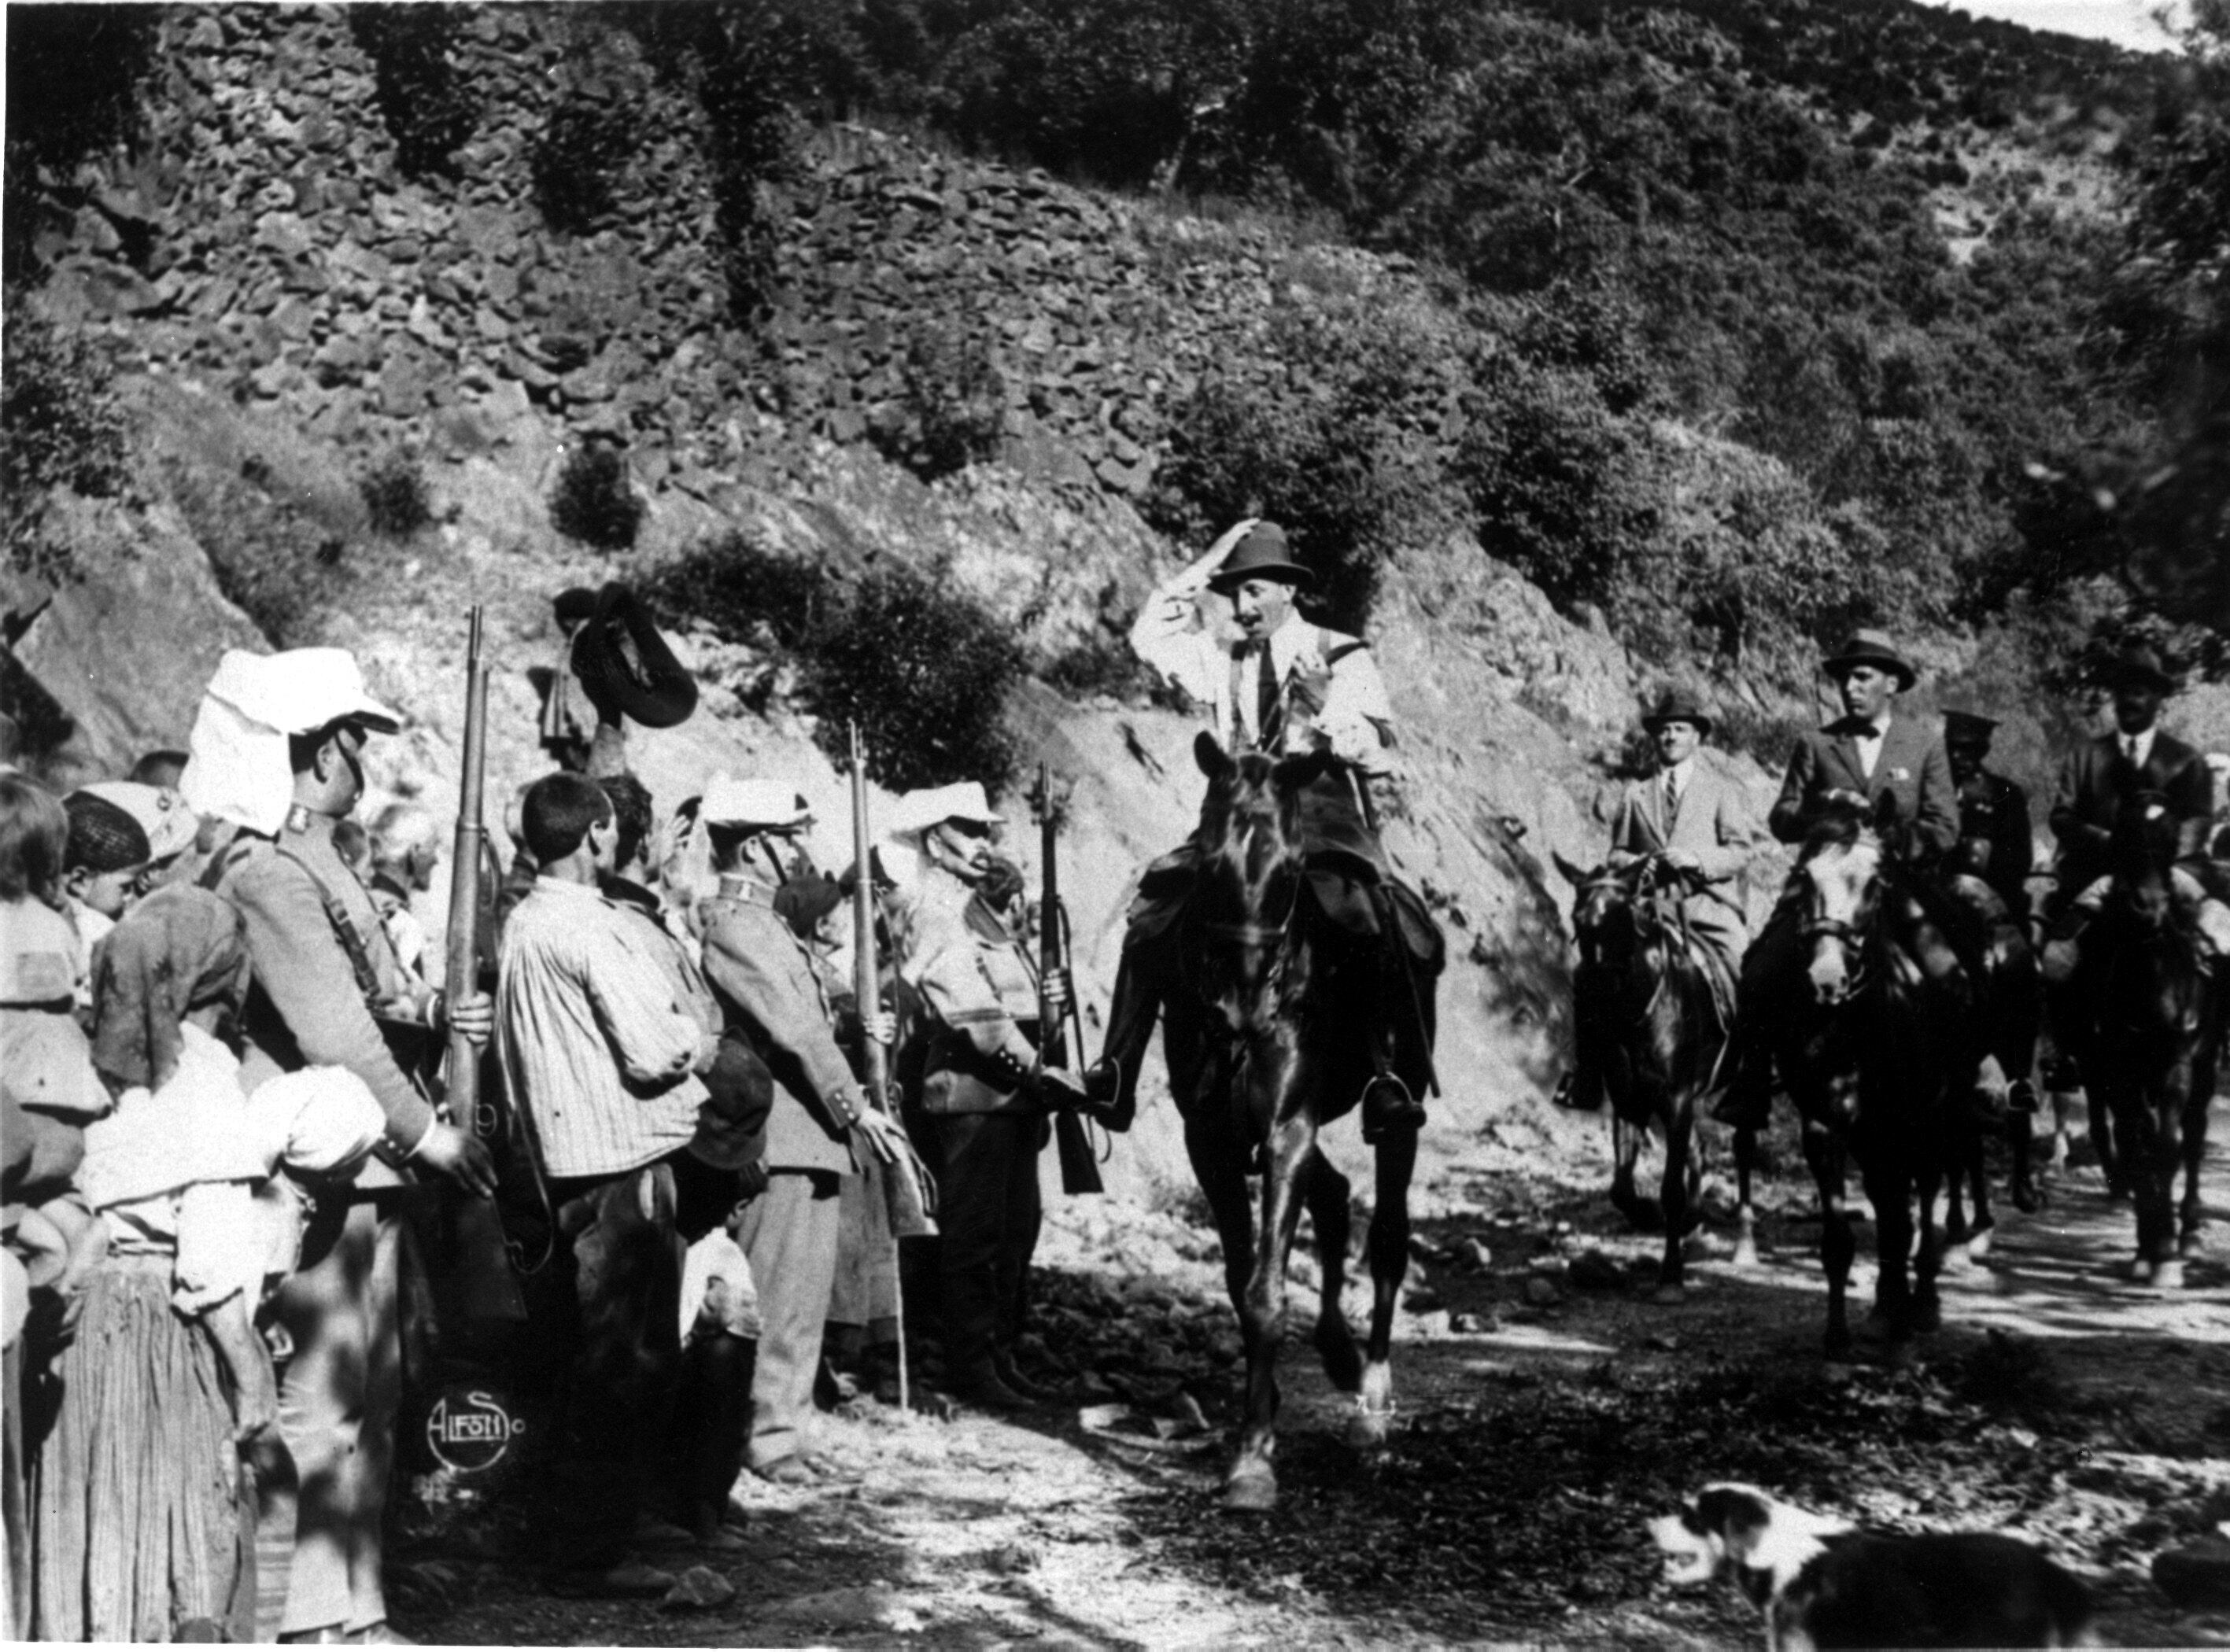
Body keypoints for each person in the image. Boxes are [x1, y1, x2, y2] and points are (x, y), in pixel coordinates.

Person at [182, 647, 496, 1645]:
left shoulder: (310, 856)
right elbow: (332, 1031)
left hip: (361, 1155)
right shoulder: (266, 866)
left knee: (374, 1388)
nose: (365, 762)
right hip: (314, 1159)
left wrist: (440, 1010)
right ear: (315, 754)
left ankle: (358, 1603)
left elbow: (373, 995)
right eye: (354, 742)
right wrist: (427, 1134)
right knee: (324, 1395)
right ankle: (308, 1616)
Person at [1088, 516, 1438, 1142]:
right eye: (1236, 592)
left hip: (1323, 818)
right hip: (1236, 818)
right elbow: (1147, 635)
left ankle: (1385, 1076)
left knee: (1371, 915)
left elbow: (1379, 753)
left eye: (1254, 592)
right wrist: (1212, 559)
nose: (1241, 607)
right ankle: (1117, 1068)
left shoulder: (1341, 652)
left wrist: (1326, 702)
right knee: (1154, 909)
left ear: (1287, 591)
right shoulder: (1219, 655)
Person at [497, 772, 729, 1595]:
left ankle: (565, 1535)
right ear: (597, 834)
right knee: (625, 1359)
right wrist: (697, 1039)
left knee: (589, 1355)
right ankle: (590, 1552)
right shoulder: (588, 929)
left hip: (568, 1165)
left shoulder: (524, 919)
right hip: (622, 1164)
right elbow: (651, 1046)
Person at [694, 778, 907, 1484]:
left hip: (807, 1135)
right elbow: (796, 1031)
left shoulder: (767, 925)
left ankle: (782, 1429)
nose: (802, 851)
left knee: (803, 1302)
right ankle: (764, 1438)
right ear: (757, 847)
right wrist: (854, 1106)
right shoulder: (737, 924)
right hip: (780, 1137)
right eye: (791, 838)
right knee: (777, 1300)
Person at [1716, 630, 1960, 1130]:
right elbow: (1781, 818)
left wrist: (1894, 840)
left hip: (1892, 882)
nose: (1851, 686)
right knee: (1760, 968)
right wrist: (1819, 810)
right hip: (1823, 882)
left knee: (1947, 970)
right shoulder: (1817, 743)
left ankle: (1970, 1079)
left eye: (1863, 676)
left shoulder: (1924, 745)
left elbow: (1945, 826)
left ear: (1891, 683)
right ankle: (1752, 1084)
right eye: (1846, 677)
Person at [894, 786, 1082, 1410]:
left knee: (1014, 1233)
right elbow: (970, 1010)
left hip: (1011, 1098)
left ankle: (1000, 1357)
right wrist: (1034, 1070)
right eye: (969, 830)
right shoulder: (933, 908)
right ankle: (970, 1367)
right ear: (933, 840)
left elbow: (1016, 999)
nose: (984, 842)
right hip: (972, 1098)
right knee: (972, 1239)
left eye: (986, 830)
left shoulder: (979, 911)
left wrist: (1050, 1000)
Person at [1553, 688, 1763, 1111]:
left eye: (1679, 729)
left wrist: (1696, 859)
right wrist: (1639, 863)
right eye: (1664, 730)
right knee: (1593, 975)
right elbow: (1616, 852)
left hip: (1706, 907)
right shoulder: (1636, 793)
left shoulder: (1721, 790)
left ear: (1696, 738)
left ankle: (1750, 1078)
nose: (1670, 737)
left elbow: (1741, 852)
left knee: (1747, 974)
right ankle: (1588, 1077)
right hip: (1647, 909)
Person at [2042, 644, 2230, 980]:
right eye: (2122, 693)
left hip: (2170, 872)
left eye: (2139, 693)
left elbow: (2200, 820)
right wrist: (2107, 841)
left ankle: (2214, 1026)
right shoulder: (2085, 756)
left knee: (2218, 940)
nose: (2129, 702)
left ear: (2159, 699)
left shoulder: (2186, 761)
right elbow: (2062, 816)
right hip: (2100, 872)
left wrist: (2157, 851)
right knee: (2058, 960)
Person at [1943, 710, 2034, 918]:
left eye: (1966, 749)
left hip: (1990, 895)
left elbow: (2019, 858)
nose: (1956, 756)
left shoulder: (2005, 793)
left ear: (1982, 750)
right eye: (1951, 748)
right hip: (1938, 890)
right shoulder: (1933, 790)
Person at [368, 803, 442, 988]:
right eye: (433, 848)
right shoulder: (404, 924)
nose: (436, 859)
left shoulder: (362, 899)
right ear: (414, 853)